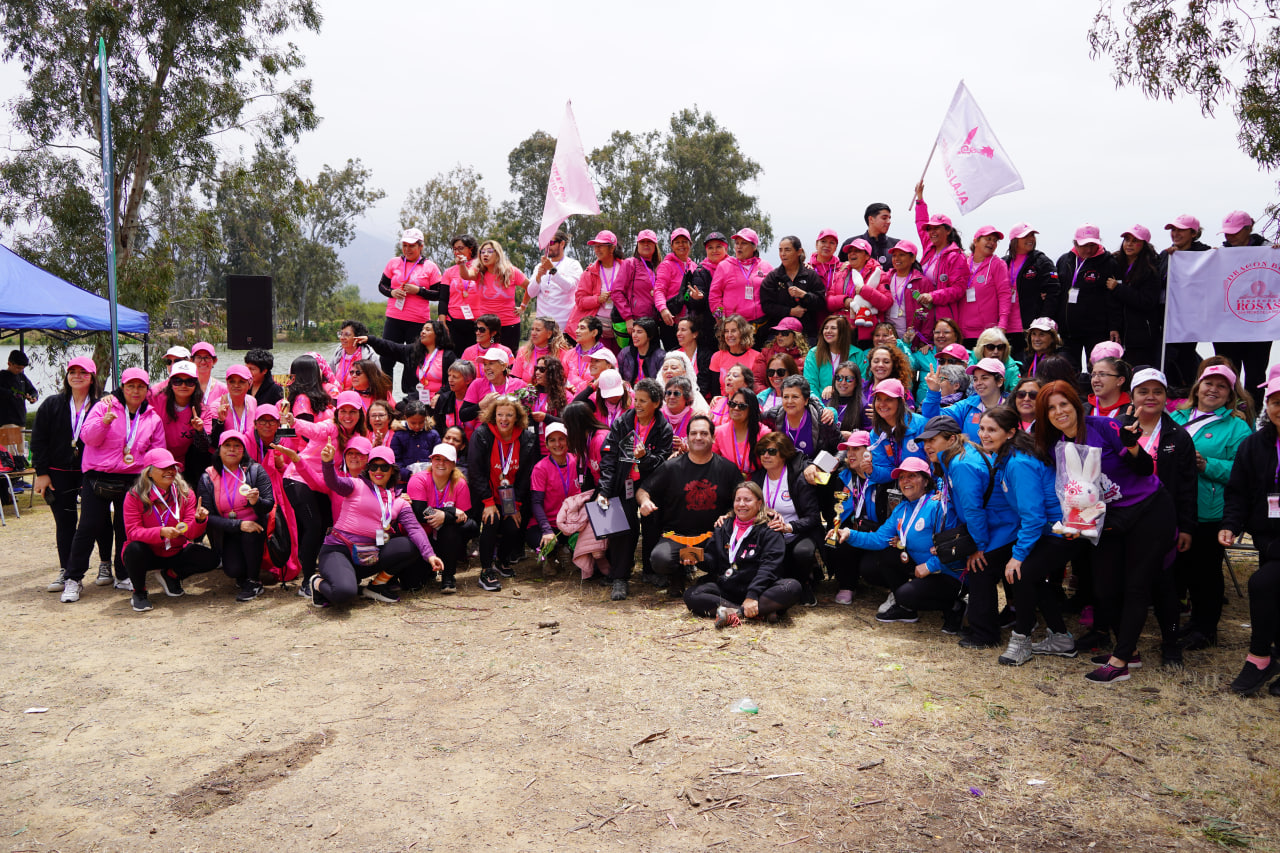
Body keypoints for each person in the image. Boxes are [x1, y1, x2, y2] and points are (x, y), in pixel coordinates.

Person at [1033, 380, 1175, 683]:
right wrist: (1074, 525)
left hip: (1149, 510)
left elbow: (1145, 469)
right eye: (1051, 408)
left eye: (1064, 404)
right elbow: (1073, 494)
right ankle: (1129, 649)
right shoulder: (1057, 445)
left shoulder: (1104, 427)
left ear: (1075, 405)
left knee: (1136, 585)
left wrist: (1132, 446)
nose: (1059, 412)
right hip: (1110, 518)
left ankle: (1121, 660)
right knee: (1105, 586)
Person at [975, 407, 1079, 664]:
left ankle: (1021, 639)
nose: (984, 435)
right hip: (1048, 531)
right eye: (982, 428)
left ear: (1010, 433)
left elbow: (1034, 517)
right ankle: (1061, 638)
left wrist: (1017, 556)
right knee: (1028, 577)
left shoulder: (1019, 463)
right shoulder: (1006, 457)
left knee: (1020, 573)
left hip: (1060, 533)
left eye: (992, 430)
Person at [61, 367, 166, 601]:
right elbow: (87, 438)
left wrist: (150, 477)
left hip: (133, 480)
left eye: (140, 386)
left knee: (125, 528)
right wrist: (104, 423)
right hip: (98, 476)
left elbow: (158, 450)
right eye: (130, 386)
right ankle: (73, 578)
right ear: (123, 387)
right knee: (89, 526)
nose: (135, 391)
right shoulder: (104, 406)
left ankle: (122, 575)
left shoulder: (152, 417)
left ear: (147, 390)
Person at [1169, 362, 1254, 651]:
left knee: (1205, 572)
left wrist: (1207, 464)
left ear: (1230, 395)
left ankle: (1206, 629)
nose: (1213, 390)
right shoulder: (1176, 416)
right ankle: (1193, 622)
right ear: (1198, 387)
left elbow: (1245, 472)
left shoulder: (1237, 427)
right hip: (1175, 505)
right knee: (1183, 569)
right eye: (1209, 383)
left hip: (1210, 509)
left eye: (1221, 386)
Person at [312, 440, 443, 606]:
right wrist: (327, 463)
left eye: (384, 467)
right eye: (374, 467)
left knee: (410, 544)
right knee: (344, 594)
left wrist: (430, 555)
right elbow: (334, 483)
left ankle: (377, 585)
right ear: (368, 469)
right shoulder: (356, 485)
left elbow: (415, 529)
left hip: (368, 555)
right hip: (339, 550)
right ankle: (317, 582)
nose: (378, 471)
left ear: (393, 470)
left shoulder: (399, 501)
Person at [837, 457, 962, 627]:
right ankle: (907, 609)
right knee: (887, 554)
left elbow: (956, 544)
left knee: (906, 595)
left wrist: (931, 566)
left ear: (926, 481)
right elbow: (879, 539)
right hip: (921, 569)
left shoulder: (938, 506)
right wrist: (849, 533)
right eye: (902, 477)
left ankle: (956, 605)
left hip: (949, 573)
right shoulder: (901, 509)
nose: (905, 481)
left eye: (912, 476)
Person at [1129, 368, 1199, 664]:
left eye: (1157, 391)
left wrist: (1186, 527)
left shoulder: (1178, 436)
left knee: (1165, 590)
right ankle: (1125, 645)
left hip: (1162, 525)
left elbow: (1187, 487)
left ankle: (1171, 642)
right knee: (1127, 586)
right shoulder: (1118, 427)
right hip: (1124, 523)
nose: (1150, 397)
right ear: (1132, 396)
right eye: (1143, 391)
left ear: (1165, 397)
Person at [1218, 376, 1280, 695]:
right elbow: (1238, 492)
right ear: (1267, 406)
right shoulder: (1254, 445)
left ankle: (1259, 657)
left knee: (1262, 584)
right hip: (1267, 538)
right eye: (1277, 401)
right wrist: (1231, 524)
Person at [32, 356, 114, 592]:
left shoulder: (102, 403)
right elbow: (38, 440)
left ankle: (105, 564)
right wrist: (42, 472)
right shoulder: (52, 404)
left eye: (83, 372)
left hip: (92, 470)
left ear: (92, 377)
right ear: (67, 376)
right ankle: (66, 570)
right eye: (73, 372)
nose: (77, 376)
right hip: (59, 472)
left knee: (98, 519)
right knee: (64, 521)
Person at [917, 415, 1001, 644]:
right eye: (925, 441)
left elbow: (974, 511)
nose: (927, 446)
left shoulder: (961, 465)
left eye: (933, 440)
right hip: (992, 524)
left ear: (952, 439)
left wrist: (979, 547)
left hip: (999, 525)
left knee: (980, 568)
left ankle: (985, 635)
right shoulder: (958, 456)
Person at [639, 412, 741, 593]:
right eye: (693, 433)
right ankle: (678, 573)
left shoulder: (727, 469)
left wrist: (730, 514)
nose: (698, 437)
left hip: (712, 538)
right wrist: (645, 501)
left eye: (703, 433)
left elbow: (745, 499)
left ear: (713, 437)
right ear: (687, 437)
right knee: (659, 560)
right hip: (675, 536)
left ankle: (706, 574)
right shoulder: (671, 467)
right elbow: (643, 490)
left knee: (725, 559)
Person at [684, 481, 803, 627]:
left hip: (760, 590)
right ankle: (757, 611)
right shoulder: (723, 526)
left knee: (792, 587)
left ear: (759, 503)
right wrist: (697, 558)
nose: (741, 504)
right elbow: (713, 564)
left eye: (748, 500)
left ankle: (737, 611)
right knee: (691, 594)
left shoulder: (770, 528)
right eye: (738, 500)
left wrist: (752, 595)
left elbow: (770, 566)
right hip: (728, 588)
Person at [596, 378, 673, 600]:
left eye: (643, 401)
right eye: (635, 399)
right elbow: (609, 457)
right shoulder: (623, 422)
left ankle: (650, 571)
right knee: (623, 528)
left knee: (652, 525)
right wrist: (605, 490)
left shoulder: (662, 428)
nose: (637, 405)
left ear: (656, 403)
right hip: (624, 483)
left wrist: (644, 457)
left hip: (651, 486)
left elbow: (663, 462)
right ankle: (620, 577)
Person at [120, 448, 218, 612]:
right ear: (149, 473)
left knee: (211, 559)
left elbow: (191, 533)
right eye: (163, 468)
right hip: (148, 553)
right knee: (133, 549)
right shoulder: (134, 496)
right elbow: (133, 532)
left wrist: (199, 520)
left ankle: (171, 574)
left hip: (176, 551)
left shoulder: (185, 493)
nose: (170, 471)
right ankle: (139, 592)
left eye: (172, 467)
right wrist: (160, 532)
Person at [468, 395, 539, 592]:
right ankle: (485, 570)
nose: (504, 419)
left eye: (509, 415)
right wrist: (489, 502)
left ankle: (502, 561)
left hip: (511, 495)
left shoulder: (526, 437)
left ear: (517, 417)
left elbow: (526, 475)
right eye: (500, 414)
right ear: (494, 415)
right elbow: (475, 471)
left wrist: (514, 506)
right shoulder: (481, 434)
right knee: (491, 522)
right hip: (486, 494)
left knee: (513, 525)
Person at [198, 430, 274, 602]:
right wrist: (238, 525)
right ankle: (246, 574)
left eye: (237, 446)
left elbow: (269, 504)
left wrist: (256, 502)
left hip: (254, 528)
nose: (232, 449)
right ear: (219, 450)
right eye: (227, 445)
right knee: (233, 571)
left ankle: (254, 581)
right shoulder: (208, 477)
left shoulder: (255, 471)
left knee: (250, 532)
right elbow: (208, 516)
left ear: (243, 450)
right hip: (228, 530)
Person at [751, 431, 824, 605]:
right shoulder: (758, 478)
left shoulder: (798, 477)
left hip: (798, 533)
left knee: (803, 552)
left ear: (784, 454)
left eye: (772, 451)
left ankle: (806, 582)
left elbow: (813, 517)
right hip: (769, 536)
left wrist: (789, 527)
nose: (766, 456)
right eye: (762, 452)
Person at [1216, 211, 1275, 406]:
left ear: (1249, 229)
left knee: (1255, 375)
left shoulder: (1271, 250)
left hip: (1258, 327)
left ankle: (1252, 416)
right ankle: (1228, 414)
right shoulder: (1218, 254)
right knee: (1227, 373)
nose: (1229, 236)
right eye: (1227, 233)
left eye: (1235, 232)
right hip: (1227, 326)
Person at [406, 442, 475, 594]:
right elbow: (419, 512)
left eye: (446, 460)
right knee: (411, 584)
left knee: (451, 528)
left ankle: (448, 576)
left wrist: (445, 517)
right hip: (422, 537)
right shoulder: (419, 479)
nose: (441, 463)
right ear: (431, 461)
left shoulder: (460, 483)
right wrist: (449, 510)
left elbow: (466, 518)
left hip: (447, 539)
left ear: (453, 464)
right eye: (437, 459)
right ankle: (429, 569)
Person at [823, 431, 879, 604]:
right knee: (832, 538)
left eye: (856, 449)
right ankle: (846, 585)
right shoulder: (842, 475)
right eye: (848, 450)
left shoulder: (881, 476)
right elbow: (815, 467)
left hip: (876, 528)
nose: (851, 454)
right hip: (850, 524)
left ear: (870, 451)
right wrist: (821, 466)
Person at [1056, 224, 1121, 370]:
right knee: (1069, 371)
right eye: (1084, 245)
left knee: (1098, 369)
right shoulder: (1064, 260)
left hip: (1096, 331)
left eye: (1093, 245)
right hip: (1068, 330)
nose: (1089, 249)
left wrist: (1114, 326)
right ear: (1075, 243)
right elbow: (1056, 292)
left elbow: (1114, 299)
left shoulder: (1109, 263)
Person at [911, 184, 970, 341]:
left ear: (948, 230)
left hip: (944, 315)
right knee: (923, 348)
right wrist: (920, 199)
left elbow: (959, 289)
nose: (932, 232)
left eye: (936, 228)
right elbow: (920, 222)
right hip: (925, 312)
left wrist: (933, 296)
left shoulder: (956, 256)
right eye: (930, 229)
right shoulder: (928, 246)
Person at [1106, 225, 1166, 371]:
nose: (1129, 244)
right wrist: (1114, 327)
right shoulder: (1116, 264)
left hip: (1142, 335)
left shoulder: (1150, 269)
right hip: (1120, 333)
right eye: (1127, 240)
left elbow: (1146, 301)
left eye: (1135, 241)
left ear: (1144, 244)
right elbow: (1112, 302)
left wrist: (1119, 289)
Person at [867, 378, 928, 515]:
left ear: (900, 402)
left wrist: (938, 488)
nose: (882, 404)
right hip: (899, 490)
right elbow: (887, 471)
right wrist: (872, 471)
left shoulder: (920, 425)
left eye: (888, 399)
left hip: (926, 491)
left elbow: (936, 462)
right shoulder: (876, 433)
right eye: (878, 399)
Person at [360, 319, 456, 403]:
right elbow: (391, 347)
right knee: (397, 410)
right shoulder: (413, 351)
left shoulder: (448, 356)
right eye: (422, 329)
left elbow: (453, 382)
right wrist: (370, 339)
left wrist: (440, 395)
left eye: (427, 330)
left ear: (438, 334)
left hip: (439, 399)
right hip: (416, 398)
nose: (422, 332)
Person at [456, 239, 527, 352]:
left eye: (489, 251)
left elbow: (530, 287)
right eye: (482, 252)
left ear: (497, 254)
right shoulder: (478, 271)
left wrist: (523, 306)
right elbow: (466, 275)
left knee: (507, 359)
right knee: (488, 357)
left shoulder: (511, 271)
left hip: (509, 324)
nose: (485, 254)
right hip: (487, 327)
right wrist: (461, 264)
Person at [1003, 224, 1061, 361]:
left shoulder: (1042, 261)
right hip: (1008, 326)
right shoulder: (1003, 262)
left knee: (1029, 365)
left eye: (1032, 235)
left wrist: (1043, 321)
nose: (1031, 239)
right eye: (1025, 236)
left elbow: (1054, 291)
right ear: (1014, 240)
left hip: (1031, 327)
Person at [528, 422, 580, 574]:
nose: (558, 444)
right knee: (546, 542)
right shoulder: (540, 468)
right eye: (552, 440)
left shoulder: (576, 461)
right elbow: (536, 503)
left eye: (561, 439)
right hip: (548, 523)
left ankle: (566, 551)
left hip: (571, 521)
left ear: (568, 441)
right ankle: (550, 556)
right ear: (546, 444)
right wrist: (546, 530)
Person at [153, 360, 213, 487]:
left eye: (189, 382)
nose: (183, 385)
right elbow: (132, 394)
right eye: (177, 381)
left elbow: (204, 447)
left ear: (196, 384)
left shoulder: (203, 411)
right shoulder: (156, 398)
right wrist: (112, 397)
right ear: (170, 383)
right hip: (155, 463)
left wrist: (199, 431)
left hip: (183, 466)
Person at [568, 230, 631, 351]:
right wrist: (597, 299)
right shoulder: (589, 272)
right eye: (595, 247)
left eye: (601, 246)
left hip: (622, 327)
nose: (597, 250)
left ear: (612, 248)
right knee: (599, 363)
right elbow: (580, 301)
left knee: (620, 364)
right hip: (598, 329)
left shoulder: (627, 268)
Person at [923, 357, 1007, 442]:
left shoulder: (1012, 406)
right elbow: (933, 419)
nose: (978, 383)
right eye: (975, 379)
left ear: (999, 381)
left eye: (984, 378)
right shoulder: (966, 406)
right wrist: (933, 392)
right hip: (972, 455)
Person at [760, 235, 826, 340]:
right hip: (779, 335)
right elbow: (766, 305)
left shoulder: (810, 275)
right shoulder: (773, 277)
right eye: (780, 250)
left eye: (787, 250)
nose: (783, 254)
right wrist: (789, 311)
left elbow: (821, 302)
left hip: (807, 334)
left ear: (799, 252)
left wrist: (804, 295)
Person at [760, 376, 839, 462]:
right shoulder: (772, 416)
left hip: (814, 472)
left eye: (795, 397)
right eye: (786, 397)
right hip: (783, 471)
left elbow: (842, 449)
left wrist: (822, 466)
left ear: (806, 400)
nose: (789, 401)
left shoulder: (822, 419)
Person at [828, 238, 891, 346]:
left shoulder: (878, 273)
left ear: (867, 256)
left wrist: (864, 290)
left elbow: (886, 303)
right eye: (850, 251)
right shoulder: (841, 273)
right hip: (841, 330)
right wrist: (844, 301)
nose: (852, 253)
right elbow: (829, 301)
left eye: (857, 251)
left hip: (865, 331)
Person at [709, 228, 773, 328]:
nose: (739, 246)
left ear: (754, 246)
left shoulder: (766, 266)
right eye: (737, 243)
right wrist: (720, 319)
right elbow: (714, 296)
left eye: (743, 243)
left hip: (761, 324)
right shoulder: (724, 266)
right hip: (733, 325)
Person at [527, 230, 583, 331]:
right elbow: (531, 293)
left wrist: (552, 270)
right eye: (546, 243)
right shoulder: (539, 266)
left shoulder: (573, 265)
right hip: (542, 326)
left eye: (551, 243)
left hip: (564, 325)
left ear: (562, 244)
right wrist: (538, 276)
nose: (548, 247)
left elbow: (570, 288)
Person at [653, 228, 699, 351]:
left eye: (684, 241)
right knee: (674, 357)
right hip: (671, 321)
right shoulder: (666, 265)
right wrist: (663, 309)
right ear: (672, 246)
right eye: (677, 242)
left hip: (690, 322)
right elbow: (659, 290)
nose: (681, 245)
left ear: (690, 244)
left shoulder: (694, 266)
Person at [516, 355, 570, 453]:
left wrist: (546, 418)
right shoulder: (528, 393)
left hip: (556, 449)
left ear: (552, 372)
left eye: (542, 369)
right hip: (532, 448)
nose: (537, 372)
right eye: (536, 368)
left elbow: (571, 423)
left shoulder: (566, 395)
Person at [459, 348, 528, 425]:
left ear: (503, 366)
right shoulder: (477, 384)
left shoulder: (520, 385)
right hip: (485, 434)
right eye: (485, 364)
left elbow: (527, 415)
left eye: (491, 363)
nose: (487, 368)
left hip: (511, 432)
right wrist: (481, 405)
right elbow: (463, 416)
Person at [618, 229, 663, 344]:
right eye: (642, 241)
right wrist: (628, 318)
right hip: (636, 323)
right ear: (637, 244)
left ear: (655, 245)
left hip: (654, 323)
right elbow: (617, 292)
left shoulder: (659, 267)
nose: (646, 244)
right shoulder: (629, 263)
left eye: (650, 241)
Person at [440, 233, 481, 354]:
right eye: (454, 249)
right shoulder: (449, 272)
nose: (457, 252)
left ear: (471, 249)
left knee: (473, 361)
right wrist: (442, 323)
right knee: (454, 362)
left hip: (477, 323)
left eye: (461, 248)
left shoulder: (480, 268)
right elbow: (443, 299)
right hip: (453, 322)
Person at [882, 240, 928, 346]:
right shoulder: (885, 277)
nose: (896, 259)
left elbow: (927, 312)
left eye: (902, 255)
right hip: (886, 334)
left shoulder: (922, 281)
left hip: (909, 335)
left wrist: (925, 340)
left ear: (912, 258)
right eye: (894, 255)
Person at [713, 386, 764, 476]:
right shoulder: (719, 432)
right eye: (733, 404)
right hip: (728, 483)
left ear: (751, 409)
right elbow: (712, 463)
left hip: (755, 486)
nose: (736, 408)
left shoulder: (763, 433)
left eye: (742, 406)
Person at [804, 315, 857, 403]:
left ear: (843, 332)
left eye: (833, 328)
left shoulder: (857, 354)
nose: (828, 331)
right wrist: (820, 407)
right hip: (821, 404)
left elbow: (862, 383)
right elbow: (810, 385)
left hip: (850, 405)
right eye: (826, 328)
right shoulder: (813, 354)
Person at [709, 314, 761, 396]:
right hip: (724, 403)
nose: (729, 335)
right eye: (726, 331)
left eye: (733, 331)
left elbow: (758, 388)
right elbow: (715, 390)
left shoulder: (757, 356)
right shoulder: (717, 356)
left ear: (743, 333)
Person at [563, 401, 609, 491]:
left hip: (607, 493)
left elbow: (609, 475)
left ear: (575, 425)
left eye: (567, 426)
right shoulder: (584, 439)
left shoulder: (600, 440)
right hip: (597, 488)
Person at [752, 317, 808, 390]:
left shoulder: (805, 359)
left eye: (785, 333)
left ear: (796, 336)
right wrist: (769, 396)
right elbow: (756, 381)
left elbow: (807, 384)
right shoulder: (766, 353)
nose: (779, 335)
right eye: (777, 333)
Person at [211, 364, 258, 446]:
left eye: (241, 382)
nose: (236, 385)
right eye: (232, 381)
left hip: (247, 454)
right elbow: (213, 442)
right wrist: (220, 422)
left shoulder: (252, 401)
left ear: (249, 384)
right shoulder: (216, 406)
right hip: (226, 455)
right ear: (227, 383)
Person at [513, 316, 567, 385]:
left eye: (538, 330)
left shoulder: (562, 353)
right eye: (532, 329)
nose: (533, 333)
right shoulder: (523, 351)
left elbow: (563, 381)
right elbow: (515, 379)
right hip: (526, 393)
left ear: (549, 334)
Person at [562, 316, 609, 393]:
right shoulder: (569, 354)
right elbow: (562, 379)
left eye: (582, 328)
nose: (577, 331)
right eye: (577, 328)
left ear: (594, 332)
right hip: (571, 399)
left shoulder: (605, 355)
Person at [968, 328, 1022, 393]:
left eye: (1000, 347)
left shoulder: (1012, 368)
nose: (996, 351)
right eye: (990, 347)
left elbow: (1016, 394)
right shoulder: (971, 361)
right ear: (982, 348)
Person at [618, 316, 666, 385]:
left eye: (639, 332)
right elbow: (618, 376)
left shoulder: (661, 357)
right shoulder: (625, 353)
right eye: (633, 331)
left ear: (650, 335)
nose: (634, 335)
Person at [332, 320, 377, 391]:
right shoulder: (338, 353)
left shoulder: (369, 355)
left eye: (347, 334)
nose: (342, 338)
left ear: (357, 338)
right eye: (341, 334)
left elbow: (377, 383)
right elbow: (330, 377)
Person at [434, 360, 475, 438]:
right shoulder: (443, 399)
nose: (450, 379)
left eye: (455, 377)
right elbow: (438, 427)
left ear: (468, 380)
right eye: (449, 375)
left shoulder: (478, 401)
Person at [854, 202, 900, 270]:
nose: (889, 222)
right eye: (884, 218)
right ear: (871, 219)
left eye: (889, 218)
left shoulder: (898, 245)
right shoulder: (851, 245)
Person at [0, 349, 37, 427]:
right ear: (9, 364)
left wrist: (33, 397)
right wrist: (14, 394)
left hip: (20, 420)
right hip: (6, 421)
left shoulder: (21, 377)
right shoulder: (2, 376)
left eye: (22, 368)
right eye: (18, 368)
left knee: (21, 439)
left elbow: (32, 390)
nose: (20, 370)